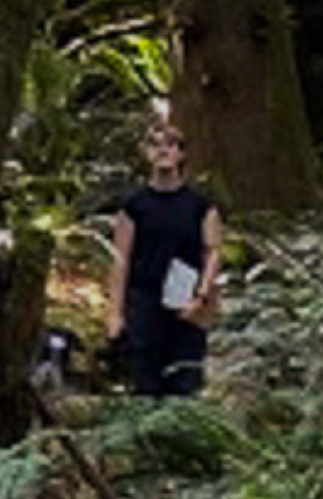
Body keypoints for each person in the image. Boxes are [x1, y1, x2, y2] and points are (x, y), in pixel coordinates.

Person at [89, 116, 223, 397]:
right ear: (146, 153)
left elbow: (212, 252)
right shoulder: (133, 205)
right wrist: (115, 313)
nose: (163, 150)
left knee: (184, 382)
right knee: (144, 382)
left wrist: (201, 298)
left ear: (182, 153)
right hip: (144, 302)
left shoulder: (200, 205)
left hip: (186, 302)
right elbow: (120, 259)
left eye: (171, 144)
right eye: (155, 144)